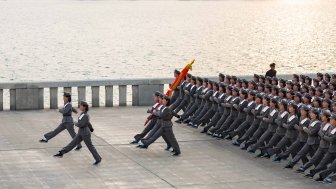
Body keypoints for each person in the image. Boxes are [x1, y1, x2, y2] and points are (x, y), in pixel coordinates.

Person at [53, 101, 102, 165]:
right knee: (72, 143)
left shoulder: (85, 115)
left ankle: (98, 159)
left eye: (81, 105)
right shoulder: (82, 114)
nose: (80, 106)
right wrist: (91, 128)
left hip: (85, 133)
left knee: (90, 146)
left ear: (84, 107)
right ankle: (61, 152)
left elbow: (81, 124)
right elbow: (88, 123)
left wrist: (74, 122)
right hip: (81, 132)